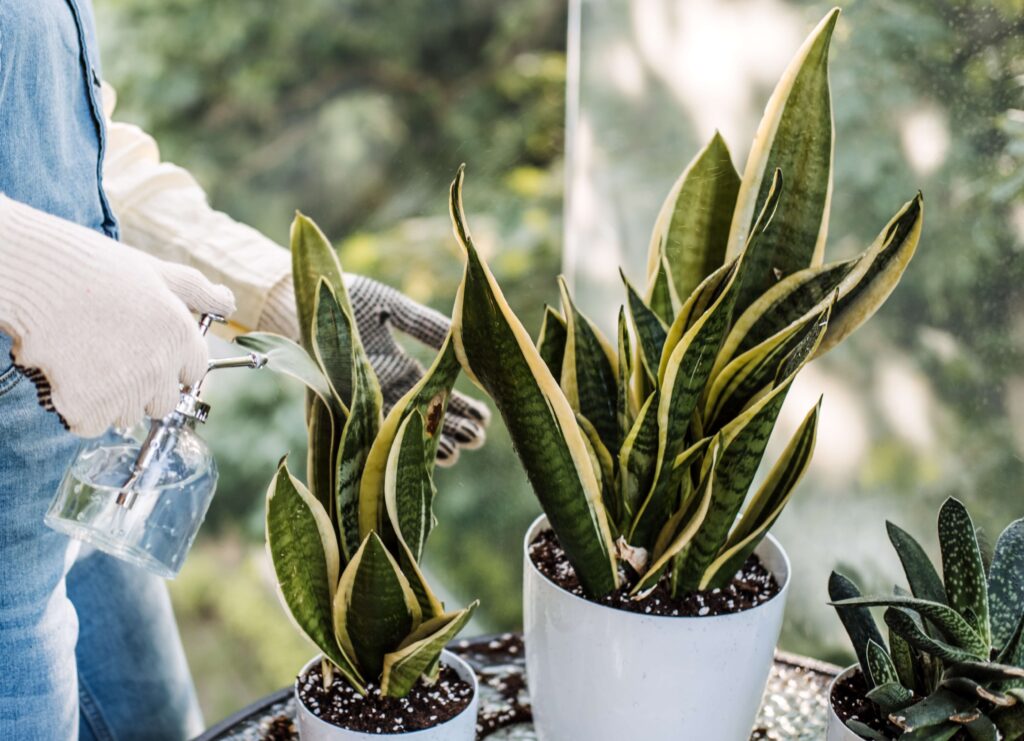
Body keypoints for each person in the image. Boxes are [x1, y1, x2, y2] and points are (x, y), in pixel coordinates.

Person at [0, 3, 488, 739]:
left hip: (91, 463)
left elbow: (77, 141)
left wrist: (287, 293)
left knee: (159, 722)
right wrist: (30, 270)